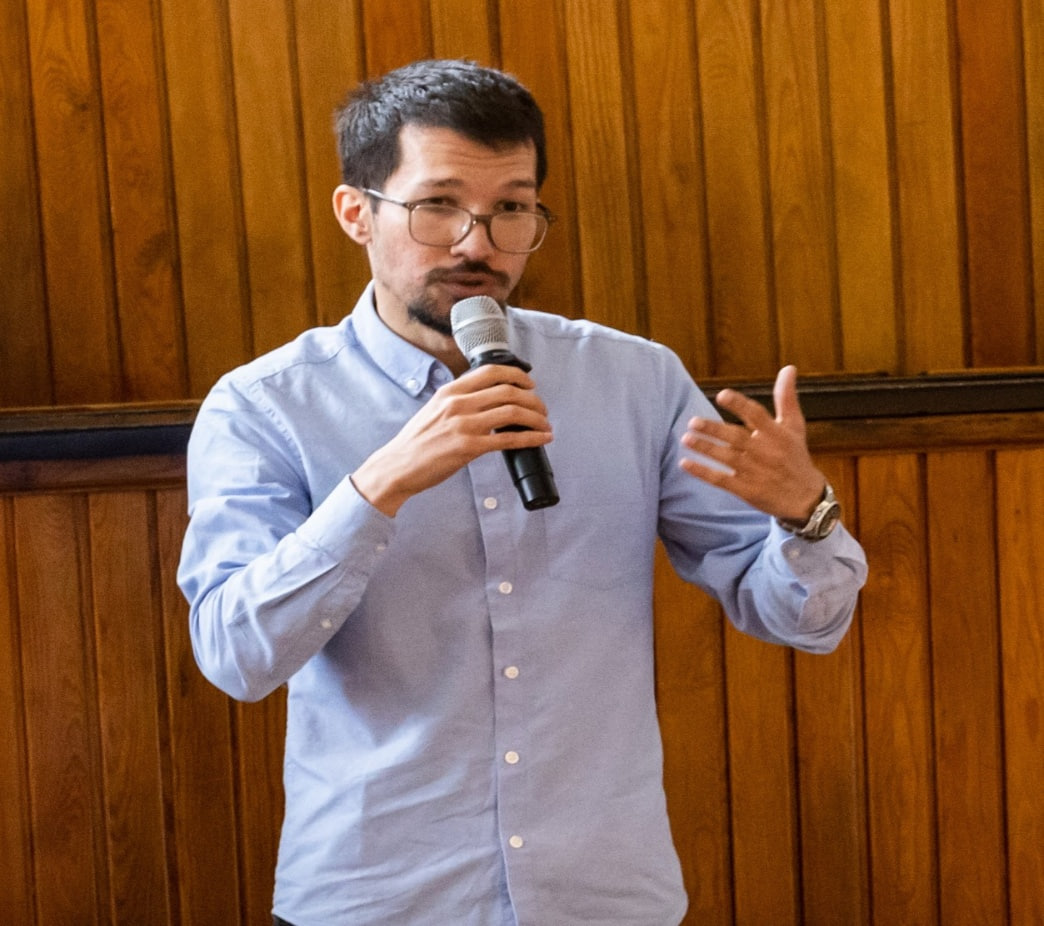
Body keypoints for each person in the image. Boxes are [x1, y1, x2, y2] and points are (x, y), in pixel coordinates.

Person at [178, 58, 867, 926]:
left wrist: (808, 518)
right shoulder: (267, 406)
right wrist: (379, 486)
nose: (478, 244)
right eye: (438, 205)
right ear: (356, 212)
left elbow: (801, 619)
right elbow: (236, 656)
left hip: (602, 898)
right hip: (379, 897)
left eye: (511, 208)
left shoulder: (634, 381)